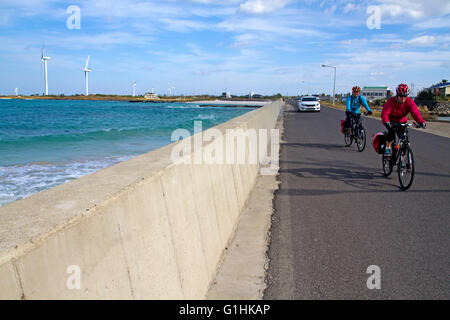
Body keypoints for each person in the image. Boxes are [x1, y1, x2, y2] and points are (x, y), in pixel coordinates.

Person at [381, 83, 426, 156]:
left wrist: (421, 122)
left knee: (404, 139)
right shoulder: (391, 101)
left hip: (402, 121)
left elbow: (415, 113)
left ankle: (402, 158)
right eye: (401, 96)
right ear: (397, 95)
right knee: (391, 132)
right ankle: (388, 148)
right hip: (391, 120)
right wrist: (386, 121)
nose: (403, 99)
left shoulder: (409, 101)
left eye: (405, 96)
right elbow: (385, 113)